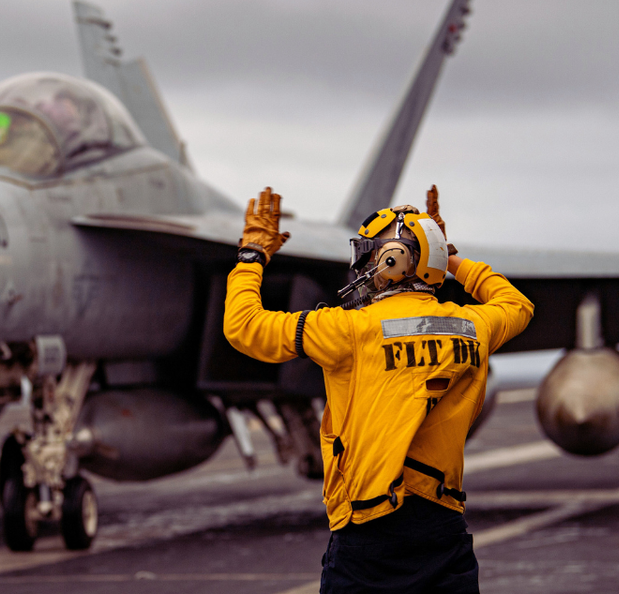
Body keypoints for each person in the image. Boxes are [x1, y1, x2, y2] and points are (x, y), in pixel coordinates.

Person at [224, 188, 533, 593]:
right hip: (443, 526)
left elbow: (243, 326)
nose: (362, 265)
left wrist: (252, 256)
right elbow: (518, 304)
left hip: (369, 532)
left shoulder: (348, 330)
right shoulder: (474, 326)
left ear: (393, 260)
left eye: (370, 253)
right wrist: (447, 256)